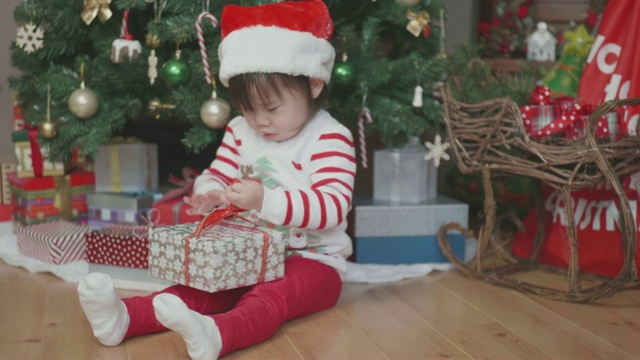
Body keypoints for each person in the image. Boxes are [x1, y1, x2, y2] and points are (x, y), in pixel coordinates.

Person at [77, 1, 356, 359]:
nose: (260, 121)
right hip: (248, 251)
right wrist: (209, 192)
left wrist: (264, 200)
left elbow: (332, 206)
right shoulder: (241, 131)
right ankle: (125, 318)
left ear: (314, 85)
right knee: (203, 289)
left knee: (271, 294)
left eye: (271, 109)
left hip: (314, 262)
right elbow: (218, 173)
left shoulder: (329, 137)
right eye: (249, 109)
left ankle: (220, 334)